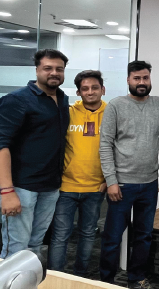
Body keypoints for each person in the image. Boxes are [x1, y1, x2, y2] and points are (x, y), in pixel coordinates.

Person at [0, 49, 70, 258]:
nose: (54, 73)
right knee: (15, 249)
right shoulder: (16, 100)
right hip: (20, 187)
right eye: (48, 68)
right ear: (36, 70)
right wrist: (6, 191)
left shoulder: (62, 99)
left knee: (34, 246)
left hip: (49, 187)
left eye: (59, 69)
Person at [99, 61, 159, 288]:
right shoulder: (116, 105)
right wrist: (111, 181)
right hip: (121, 184)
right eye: (137, 78)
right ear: (128, 80)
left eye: (145, 78)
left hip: (149, 184)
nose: (142, 82)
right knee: (112, 237)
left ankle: (136, 278)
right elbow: (105, 145)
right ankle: (107, 280)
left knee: (143, 235)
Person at [48, 70, 107, 276]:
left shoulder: (111, 114)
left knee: (88, 234)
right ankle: (55, 276)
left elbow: (118, 148)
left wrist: (110, 179)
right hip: (66, 186)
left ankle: (80, 275)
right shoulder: (68, 112)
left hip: (96, 188)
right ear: (79, 92)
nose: (90, 92)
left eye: (94, 88)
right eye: (85, 89)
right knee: (60, 234)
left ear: (103, 89)